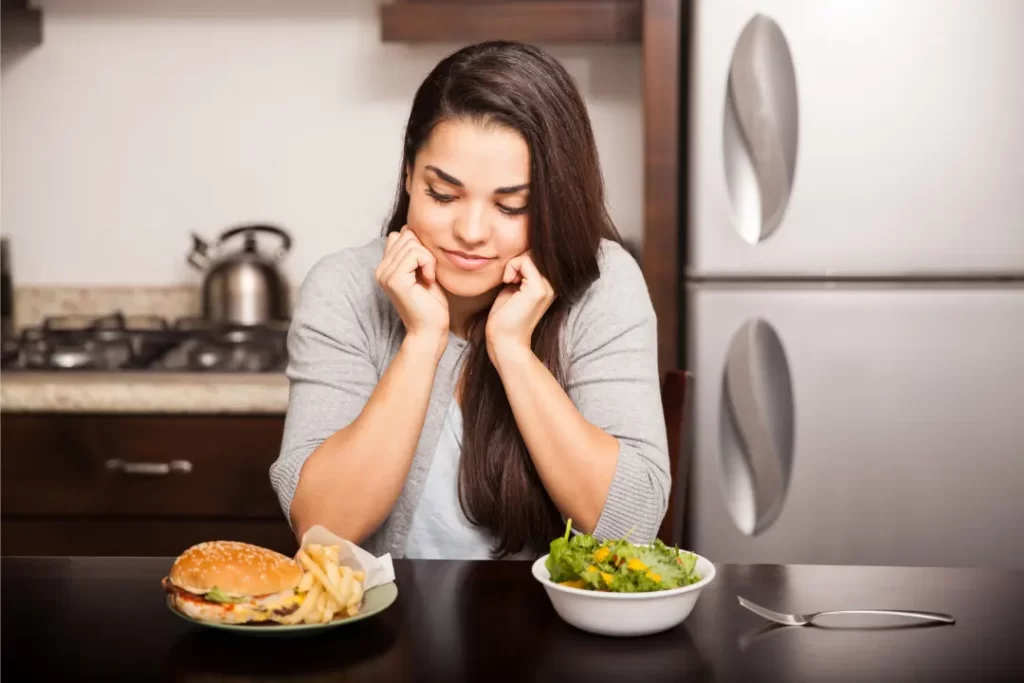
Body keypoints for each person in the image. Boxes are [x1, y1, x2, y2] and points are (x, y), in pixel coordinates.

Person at [269, 41, 670, 560]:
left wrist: (512, 351)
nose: (471, 232)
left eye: (512, 206)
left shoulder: (603, 283)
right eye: (443, 195)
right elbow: (323, 527)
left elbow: (630, 526)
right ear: (410, 174)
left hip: (554, 633)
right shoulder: (343, 288)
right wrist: (423, 340)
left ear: (554, 201)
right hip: (385, 633)